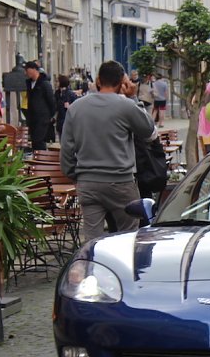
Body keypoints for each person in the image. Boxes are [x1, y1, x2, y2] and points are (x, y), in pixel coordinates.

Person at [61, 60, 158, 242]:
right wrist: (133, 98)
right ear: (122, 82)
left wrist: (75, 174)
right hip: (120, 181)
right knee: (128, 236)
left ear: (98, 80)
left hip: (88, 182)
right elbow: (148, 130)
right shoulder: (126, 106)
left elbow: (66, 148)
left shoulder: (76, 108)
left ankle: (93, 260)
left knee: (92, 240)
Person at [23, 60, 56, 150]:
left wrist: (51, 115)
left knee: (39, 140)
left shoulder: (44, 84)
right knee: (34, 141)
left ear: (34, 69)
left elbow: (51, 100)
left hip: (42, 118)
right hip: (32, 117)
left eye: (27, 70)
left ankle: (41, 156)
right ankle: (36, 155)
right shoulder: (29, 83)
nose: (26, 73)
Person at [54, 74, 77, 141]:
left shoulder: (70, 94)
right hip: (60, 121)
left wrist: (69, 106)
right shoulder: (57, 93)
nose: (56, 83)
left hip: (67, 120)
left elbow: (76, 106)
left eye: (57, 81)